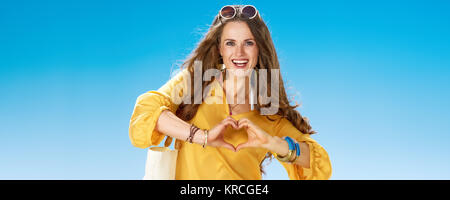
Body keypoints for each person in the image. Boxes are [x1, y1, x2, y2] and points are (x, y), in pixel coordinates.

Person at [129, 5, 332, 180]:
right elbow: (146, 111)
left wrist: (271, 142)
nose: (239, 53)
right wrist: (203, 136)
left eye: (249, 43)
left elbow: (318, 165)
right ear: (219, 49)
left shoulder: (268, 111)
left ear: (259, 48)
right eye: (230, 43)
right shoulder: (195, 82)